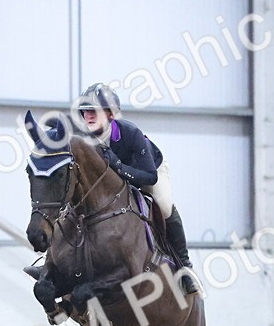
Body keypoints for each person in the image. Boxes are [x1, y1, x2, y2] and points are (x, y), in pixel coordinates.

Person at [72, 83, 199, 295]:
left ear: (110, 114)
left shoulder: (130, 133)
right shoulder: (83, 136)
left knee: (164, 206)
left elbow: (149, 176)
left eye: (94, 110)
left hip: (149, 170)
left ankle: (185, 267)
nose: (88, 115)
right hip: (114, 179)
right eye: (85, 111)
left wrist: (119, 167)